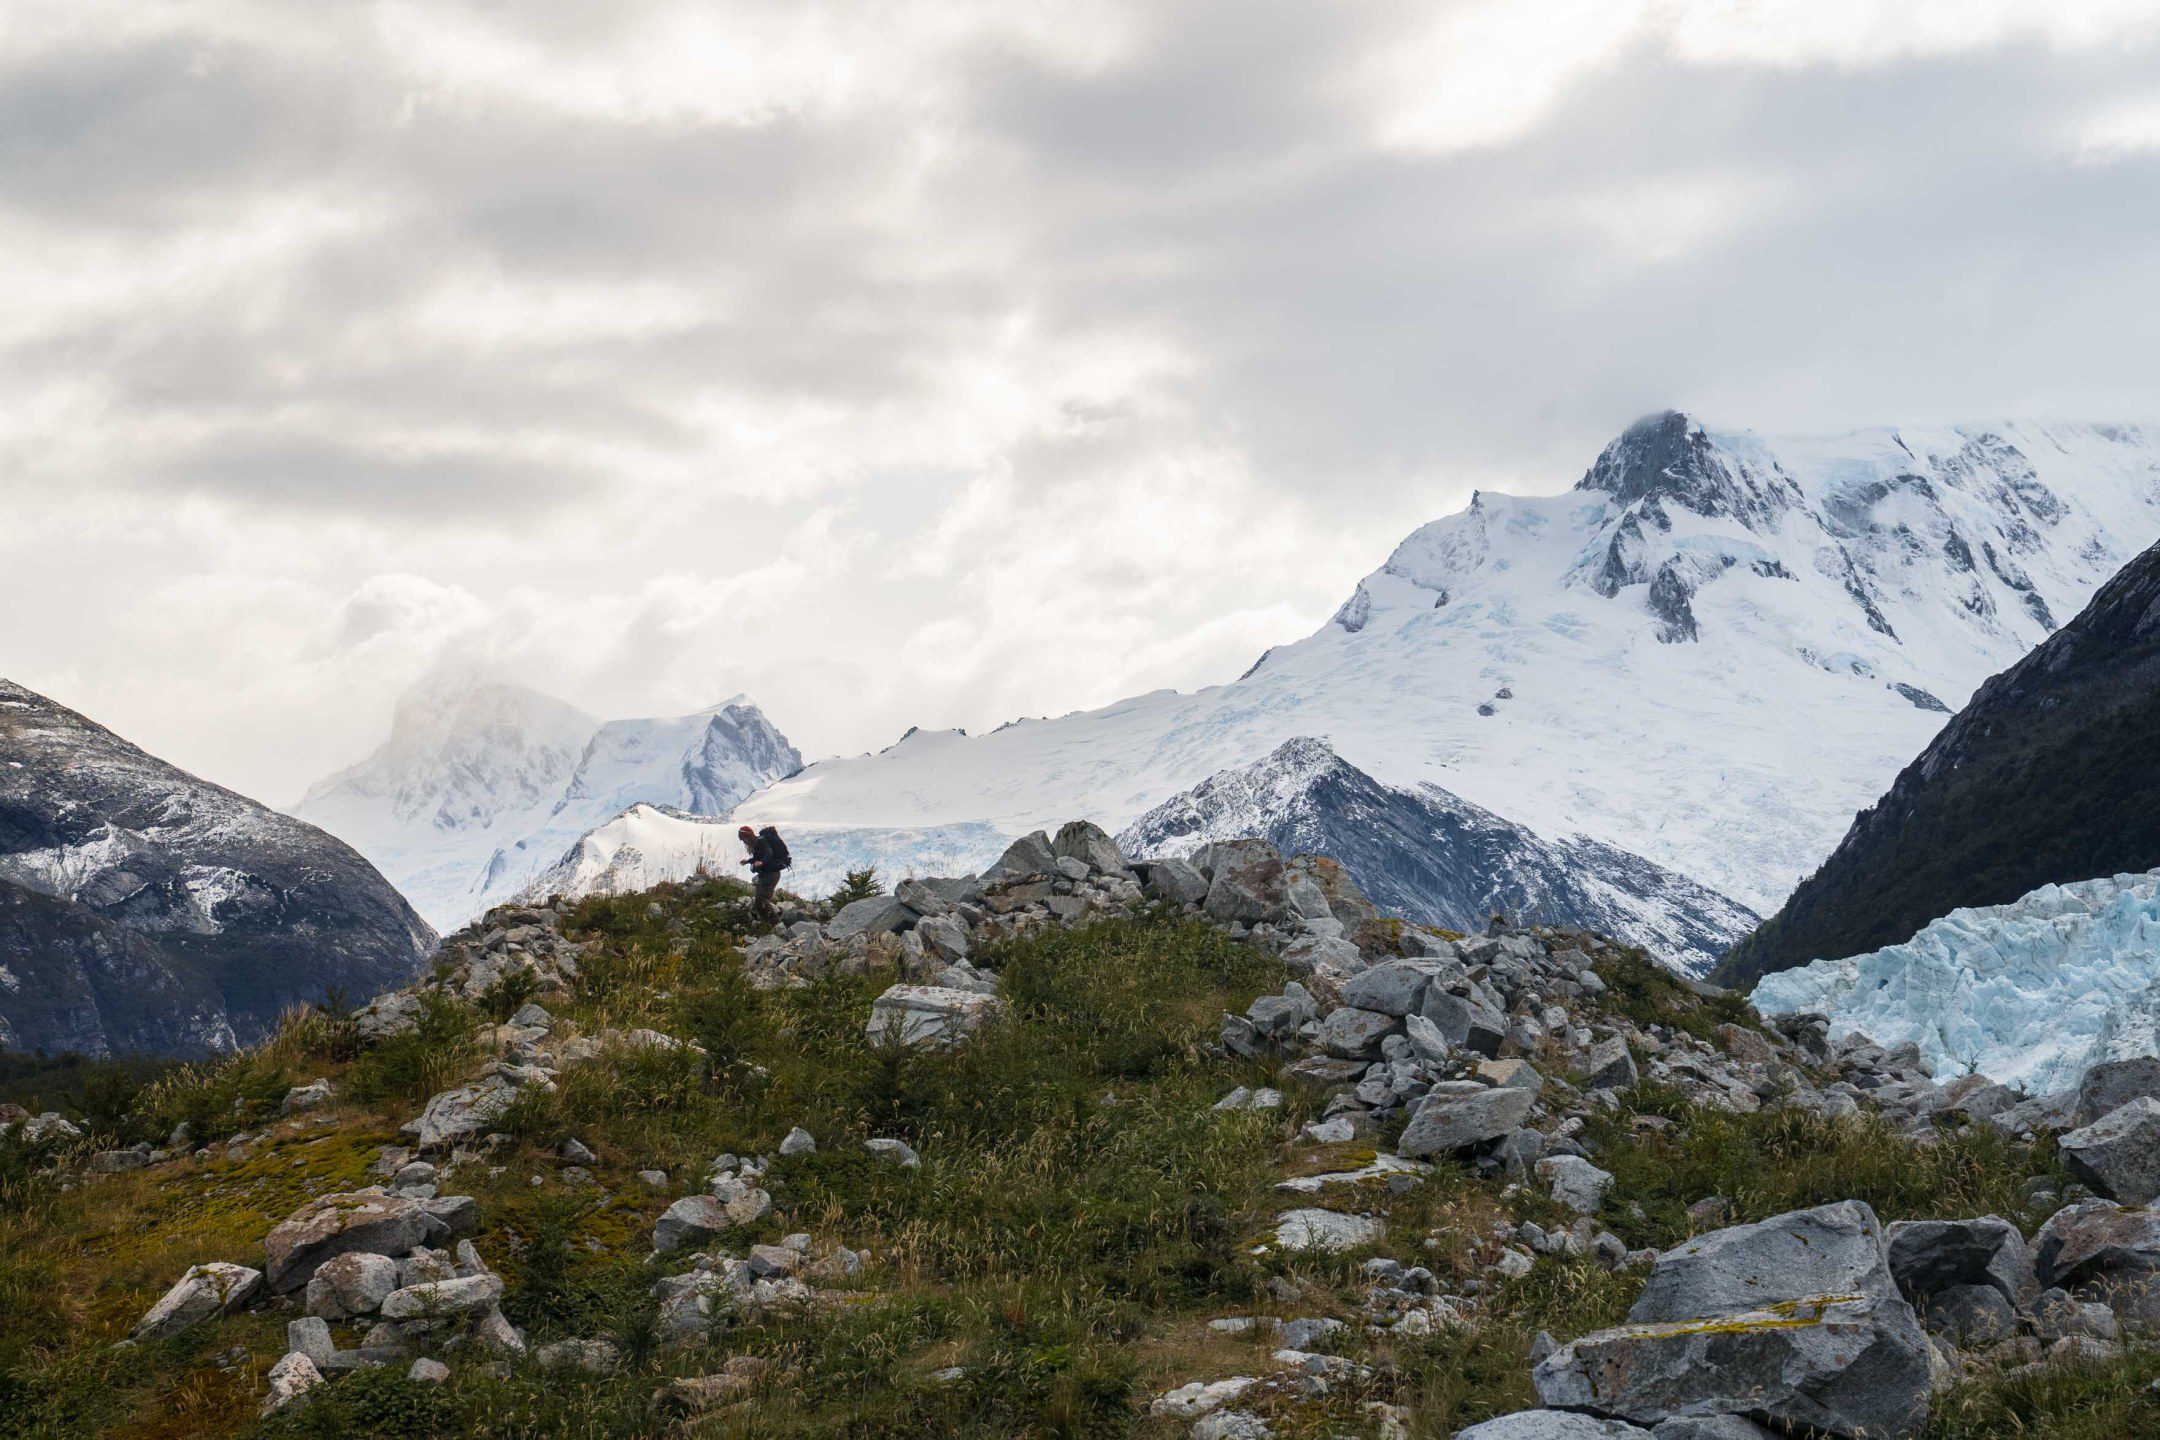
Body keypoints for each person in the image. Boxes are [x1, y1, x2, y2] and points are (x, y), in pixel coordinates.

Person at [738, 824, 788, 926]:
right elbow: (757, 857)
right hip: (766, 874)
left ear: (749, 836)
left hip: (771, 874)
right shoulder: (757, 843)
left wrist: (761, 862)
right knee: (759, 900)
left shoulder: (760, 841)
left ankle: (776, 925)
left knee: (762, 900)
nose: (744, 842)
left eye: (744, 839)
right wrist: (747, 861)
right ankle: (770, 922)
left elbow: (769, 853)